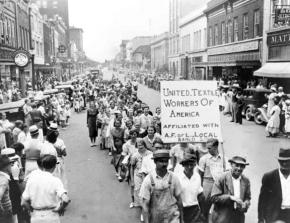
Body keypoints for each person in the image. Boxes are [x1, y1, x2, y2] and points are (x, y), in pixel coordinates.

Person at [21, 155, 70, 223]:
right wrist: (60, 208)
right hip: (51, 215)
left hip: (36, 216)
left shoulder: (32, 179)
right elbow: (65, 199)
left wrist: (32, 211)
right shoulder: (55, 180)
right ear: (54, 166)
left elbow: (23, 202)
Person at [139, 149, 184, 223]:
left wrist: (182, 219)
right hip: (156, 218)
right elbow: (145, 205)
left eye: (166, 161)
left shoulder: (174, 177)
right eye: (161, 161)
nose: (164, 164)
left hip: (173, 217)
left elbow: (179, 199)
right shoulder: (149, 180)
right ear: (155, 162)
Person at [210, 156, 251, 223]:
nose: (239, 168)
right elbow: (213, 198)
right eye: (237, 165)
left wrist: (245, 204)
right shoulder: (222, 178)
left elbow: (248, 198)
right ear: (231, 164)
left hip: (238, 218)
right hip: (222, 217)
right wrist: (231, 198)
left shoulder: (246, 181)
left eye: (242, 166)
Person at [198, 138, 228, 221]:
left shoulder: (223, 158)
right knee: (205, 208)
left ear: (215, 147)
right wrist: (200, 187)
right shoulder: (204, 159)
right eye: (207, 148)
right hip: (207, 183)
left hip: (220, 184)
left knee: (220, 207)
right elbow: (200, 174)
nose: (208, 150)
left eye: (209, 148)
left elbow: (227, 174)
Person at [258, 148, 290, 223]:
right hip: (275, 215)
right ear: (278, 161)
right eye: (282, 161)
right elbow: (262, 200)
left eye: (287, 161)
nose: (284, 164)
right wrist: (260, 219)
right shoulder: (269, 177)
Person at [130, 138, 152, 221]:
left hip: (147, 174)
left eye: (142, 145)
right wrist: (132, 180)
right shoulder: (135, 155)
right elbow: (131, 167)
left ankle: (148, 208)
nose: (140, 147)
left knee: (149, 191)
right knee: (139, 191)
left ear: (144, 145)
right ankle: (142, 211)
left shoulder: (150, 154)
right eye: (138, 145)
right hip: (138, 174)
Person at [178, 153, 203, 223]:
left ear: (195, 165)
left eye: (191, 164)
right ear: (183, 165)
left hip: (195, 209)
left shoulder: (197, 177)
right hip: (182, 210)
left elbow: (200, 194)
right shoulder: (178, 178)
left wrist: (202, 212)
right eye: (187, 165)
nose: (189, 167)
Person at [0, 154, 14, 223]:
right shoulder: (4, 180)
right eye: (10, 164)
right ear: (6, 167)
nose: (11, 166)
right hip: (6, 213)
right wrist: (2, 211)